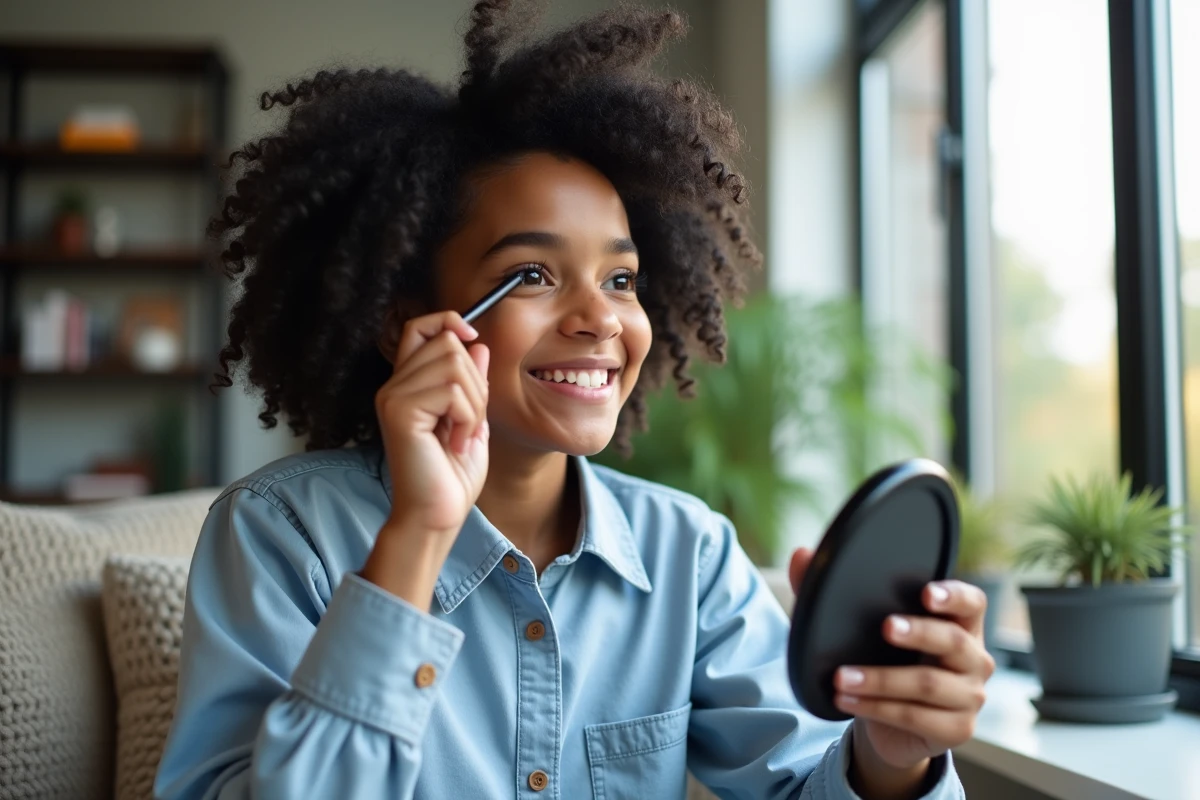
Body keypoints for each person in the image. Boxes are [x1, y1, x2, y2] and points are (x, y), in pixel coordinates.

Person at [155, 2, 991, 798]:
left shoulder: (688, 557)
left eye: (621, 279)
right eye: (533, 275)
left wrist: (892, 758)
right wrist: (416, 536)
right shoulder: (280, 534)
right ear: (408, 322)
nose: (600, 318)